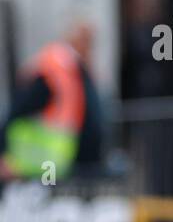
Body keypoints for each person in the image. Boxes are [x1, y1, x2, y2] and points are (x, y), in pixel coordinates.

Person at [0, 18, 104, 183]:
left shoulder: (75, 71)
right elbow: (17, 109)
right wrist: (3, 153)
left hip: (61, 166)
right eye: (86, 39)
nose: (90, 46)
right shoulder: (56, 71)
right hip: (36, 166)